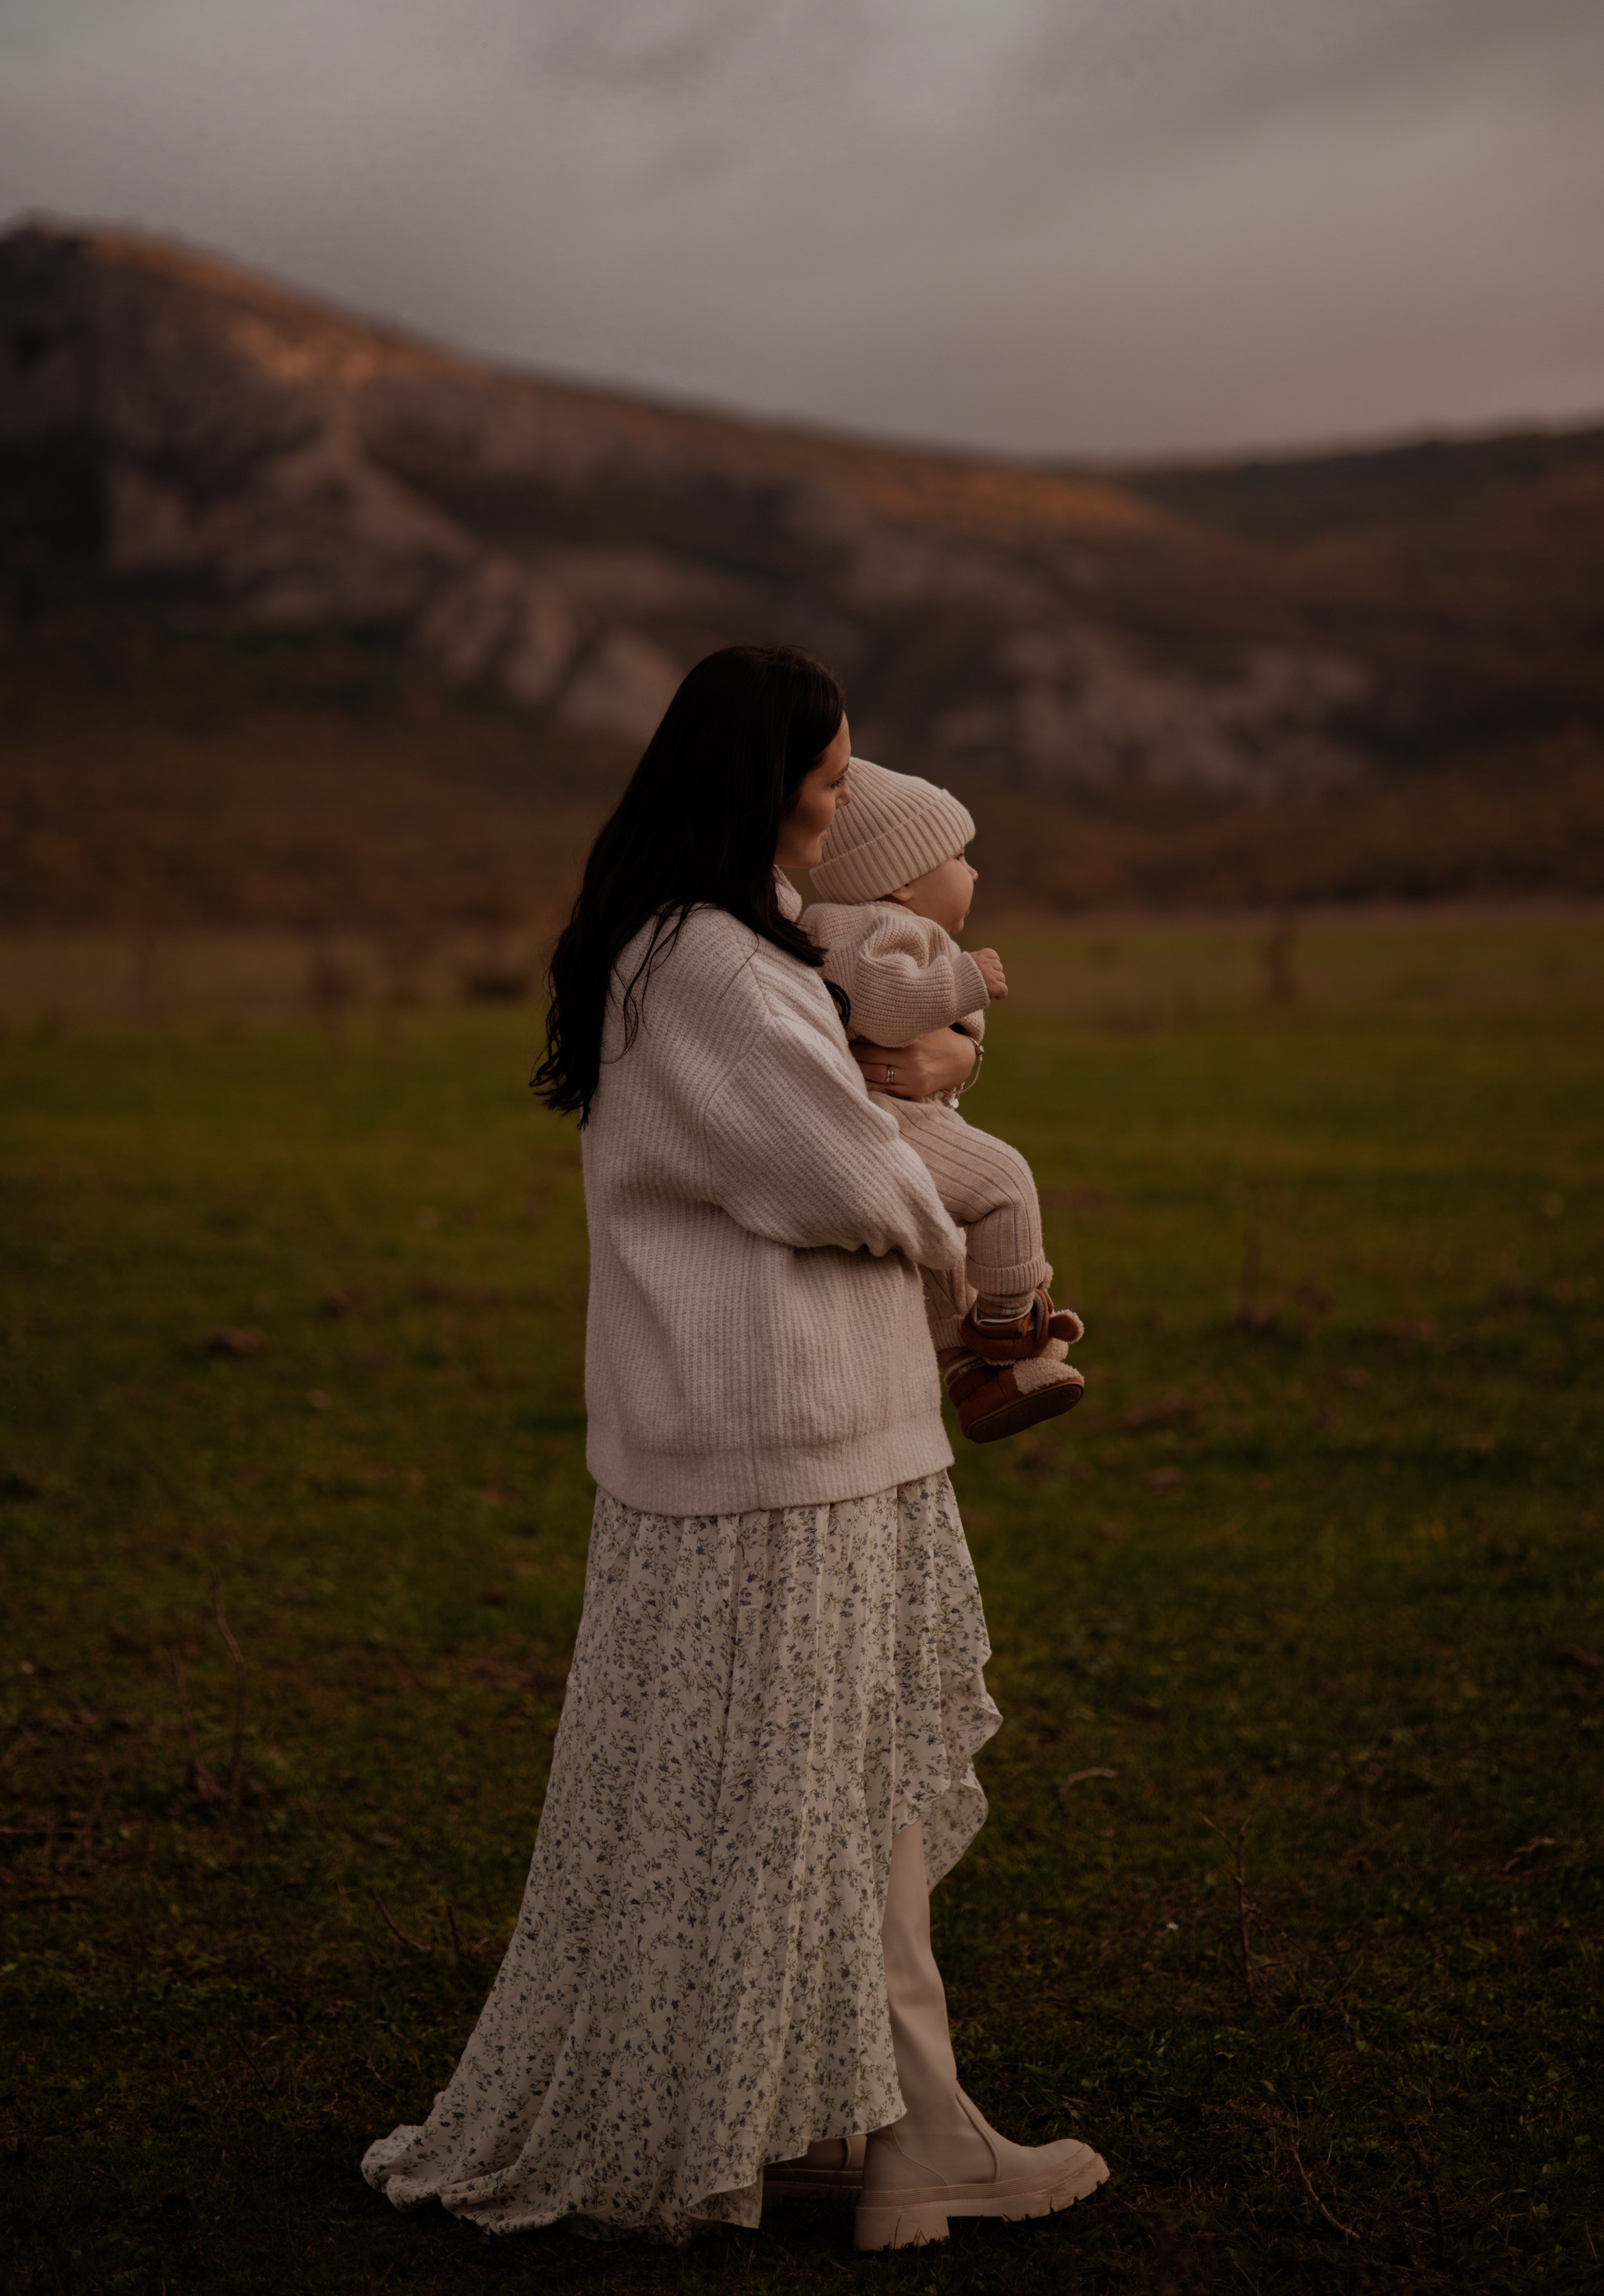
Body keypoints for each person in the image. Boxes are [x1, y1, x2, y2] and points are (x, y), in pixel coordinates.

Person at [360, 645, 1108, 2252]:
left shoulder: (720, 946)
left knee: (817, 1797)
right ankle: (905, 2143)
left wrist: (921, 1102)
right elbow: (840, 1178)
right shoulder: (698, 958)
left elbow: (836, 1138)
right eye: (830, 783)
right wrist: (946, 1137)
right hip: (783, 1452)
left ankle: (870, 2128)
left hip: (795, 1439)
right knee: (815, 1799)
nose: (841, 811)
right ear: (758, 783)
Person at [802, 755, 1087, 1444]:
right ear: (900, 882)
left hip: (889, 1115)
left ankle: (973, 1376)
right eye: (959, 856)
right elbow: (884, 1007)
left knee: (937, 1249)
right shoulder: (870, 931)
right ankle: (1009, 1323)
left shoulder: (857, 928)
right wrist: (964, 981)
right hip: (888, 1118)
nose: (974, 872)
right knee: (1002, 1180)